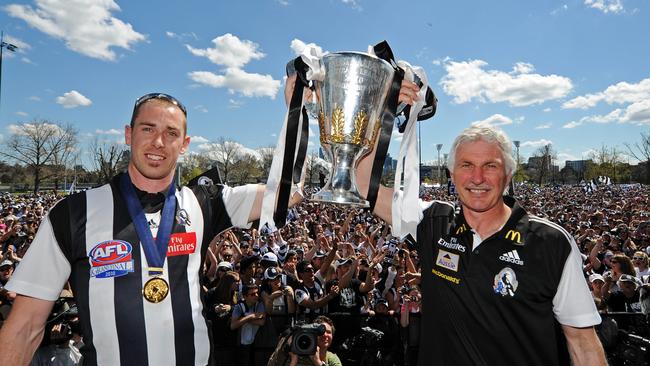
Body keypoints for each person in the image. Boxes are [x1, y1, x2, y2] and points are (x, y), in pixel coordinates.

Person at [0, 92, 299, 366]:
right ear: (128, 135)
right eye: (148, 129)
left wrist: (297, 106)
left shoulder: (205, 203)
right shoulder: (73, 213)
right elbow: (25, 327)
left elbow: (287, 193)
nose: (158, 142)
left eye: (171, 133)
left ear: (184, 144)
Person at [356, 124, 606, 365]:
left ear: (508, 175)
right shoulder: (432, 222)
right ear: (452, 174)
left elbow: (583, 344)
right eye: (467, 165)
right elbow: (362, 182)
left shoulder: (551, 242)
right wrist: (389, 102)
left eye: (490, 166)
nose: (477, 178)